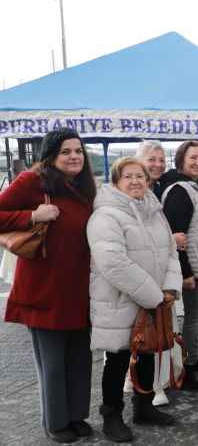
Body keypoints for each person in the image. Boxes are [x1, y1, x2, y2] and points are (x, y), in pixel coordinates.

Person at [0, 128, 96, 442]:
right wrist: (30, 216)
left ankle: (76, 415)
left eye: (78, 151)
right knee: (53, 363)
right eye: (66, 151)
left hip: (78, 291)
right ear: (51, 155)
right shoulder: (33, 182)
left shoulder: (83, 187)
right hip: (43, 291)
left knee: (79, 358)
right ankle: (55, 423)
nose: (74, 157)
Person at [88, 157, 181, 442]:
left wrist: (169, 289)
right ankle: (112, 415)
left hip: (153, 300)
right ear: (116, 183)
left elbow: (170, 253)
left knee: (148, 353)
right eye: (127, 176)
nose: (135, 181)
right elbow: (113, 263)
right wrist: (154, 295)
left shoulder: (155, 212)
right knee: (117, 360)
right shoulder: (105, 216)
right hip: (119, 300)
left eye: (139, 176)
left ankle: (144, 406)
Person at [159, 140, 198, 391]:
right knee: (193, 321)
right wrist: (185, 272)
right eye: (193, 158)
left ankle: (190, 368)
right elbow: (177, 236)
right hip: (193, 269)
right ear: (181, 160)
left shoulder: (195, 187)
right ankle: (188, 371)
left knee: (196, 320)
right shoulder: (179, 190)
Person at [134, 139, 179, 407]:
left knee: (157, 331)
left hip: (159, 273)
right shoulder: (128, 192)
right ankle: (140, 385)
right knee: (137, 333)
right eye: (152, 159)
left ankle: (155, 385)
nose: (158, 164)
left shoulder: (156, 192)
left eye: (162, 160)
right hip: (136, 275)